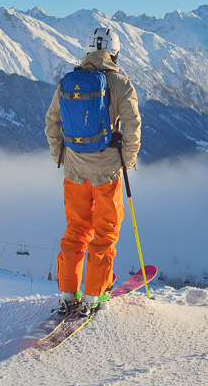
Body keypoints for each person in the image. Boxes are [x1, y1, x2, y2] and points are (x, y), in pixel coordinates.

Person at [44, 27, 142, 317]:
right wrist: (128, 160)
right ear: (115, 52)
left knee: (75, 231)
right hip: (107, 174)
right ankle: (94, 295)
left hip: (74, 171)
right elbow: (133, 127)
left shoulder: (68, 82)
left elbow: (51, 121)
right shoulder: (121, 84)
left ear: (88, 50)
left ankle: (67, 293)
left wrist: (59, 156)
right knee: (105, 233)